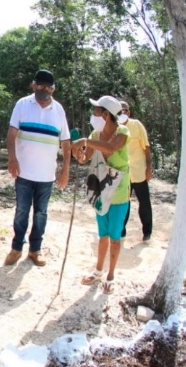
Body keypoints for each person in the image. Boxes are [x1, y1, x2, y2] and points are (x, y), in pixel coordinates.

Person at [4, 70, 71, 267]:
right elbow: (11, 133)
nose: (43, 90)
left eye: (48, 87)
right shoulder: (23, 104)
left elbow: (66, 143)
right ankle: (16, 248)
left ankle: (35, 250)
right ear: (33, 85)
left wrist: (65, 171)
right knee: (22, 211)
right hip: (23, 172)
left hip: (47, 175)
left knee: (41, 213)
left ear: (53, 88)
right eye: (40, 85)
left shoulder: (58, 110)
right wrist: (12, 158)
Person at [71, 96, 130, 295]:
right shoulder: (95, 134)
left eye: (96, 111)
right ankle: (98, 270)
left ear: (106, 114)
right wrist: (78, 153)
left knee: (115, 236)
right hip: (101, 193)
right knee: (102, 234)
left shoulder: (123, 132)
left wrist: (87, 141)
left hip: (119, 194)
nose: (93, 114)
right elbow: (85, 158)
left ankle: (111, 275)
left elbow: (112, 148)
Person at [120, 101, 152, 241]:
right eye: (120, 111)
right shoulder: (116, 129)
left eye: (125, 110)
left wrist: (149, 168)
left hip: (139, 172)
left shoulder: (137, 125)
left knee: (144, 202)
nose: (123, 113)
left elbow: (146, 147)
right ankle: (121, 231)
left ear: (129, 112)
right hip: (123, 173)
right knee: (123, 203)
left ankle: (147, 232)